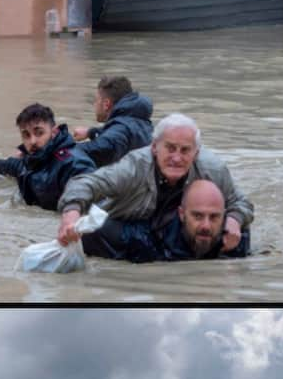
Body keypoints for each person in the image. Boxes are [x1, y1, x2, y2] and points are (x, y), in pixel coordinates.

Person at [56, 112, 253, 251]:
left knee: (240, 235)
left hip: (177, 231)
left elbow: (241, 203)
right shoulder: (133, 167)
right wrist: (70, 216)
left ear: (196, 153)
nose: (176, 158)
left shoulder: (213, 170)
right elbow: (84, 183)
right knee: (94, 233)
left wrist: (234, 220)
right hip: (132, 227)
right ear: (154, 148)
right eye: (170, 148)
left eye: (185, 150)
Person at [81, 179, 252, 263]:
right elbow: (92, 230)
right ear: (182, 214)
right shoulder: (146, 240)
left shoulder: (235, 239)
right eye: (197, 216)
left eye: (214, 217)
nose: (206, 226)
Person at [0, 103, 94, 211]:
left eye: (39, 133)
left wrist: (73, 213)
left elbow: (91, 186)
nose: (32, 141)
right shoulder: (34, 159)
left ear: (54, 132)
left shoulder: (71, 162)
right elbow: (19, 167)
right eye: (26, 135)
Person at [71, 75, 154, 167]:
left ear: (106, 104)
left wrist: (61, 150)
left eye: (96, 100)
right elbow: (118, 134)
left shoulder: (120, 129)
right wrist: (90, 132)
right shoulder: (138, 121)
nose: (94, 104)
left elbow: (102, 147)